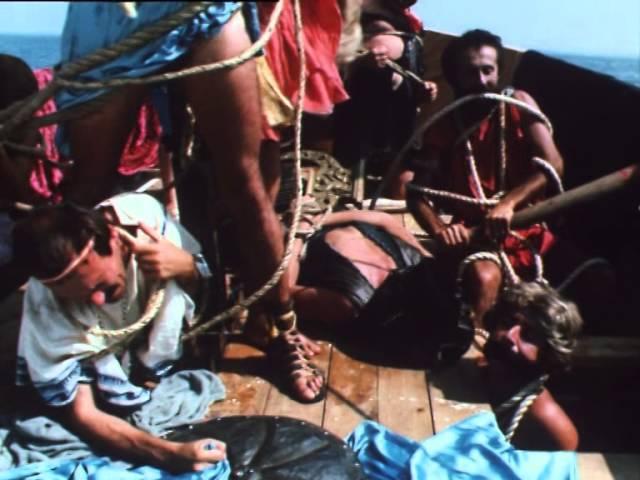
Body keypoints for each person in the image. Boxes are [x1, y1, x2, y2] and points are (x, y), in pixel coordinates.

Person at [52, 2, 323, 403]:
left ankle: (283, 328)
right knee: (89, 187)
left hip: (203, 9)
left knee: (244, 182)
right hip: (112, 14)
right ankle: (67, 337)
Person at [286, 206, 582, 450]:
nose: (508, 336)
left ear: (550, 356)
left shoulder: (553, 427)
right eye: (508, 323)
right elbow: (283, 294)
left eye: (528, 336)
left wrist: (307, 224)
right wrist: (307, 225)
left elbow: (385, 221)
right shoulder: (361, 300)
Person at [11, 192, 227, 471]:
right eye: (83, 298)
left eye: (103, 286)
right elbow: (83, 413)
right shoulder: (47, 305)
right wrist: (169, 454)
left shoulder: (146, 220)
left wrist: (186, 267)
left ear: (113, 238)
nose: (98, 301)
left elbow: (208, 294)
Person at [407, 29, 564, 330]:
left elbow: (554, 163)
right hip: (477, 236)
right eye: (470, 73)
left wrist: (508, 204)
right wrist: (440, 231)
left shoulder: (520, 104)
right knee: (484, 279)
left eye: (488, 71)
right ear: (454, 78)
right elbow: (416, 194)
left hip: (530, 231)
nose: (481, 81)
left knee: (597, 276)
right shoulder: (443, 127)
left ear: (499, 71)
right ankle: (479, 347)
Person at [333, 0, 438, 199]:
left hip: (400, 119)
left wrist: (422, 90)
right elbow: (331, 55)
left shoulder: (412, 24)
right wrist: (360, 63)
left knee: (404, 181)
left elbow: (413, 71)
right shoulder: (353, 7)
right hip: (358, 111)